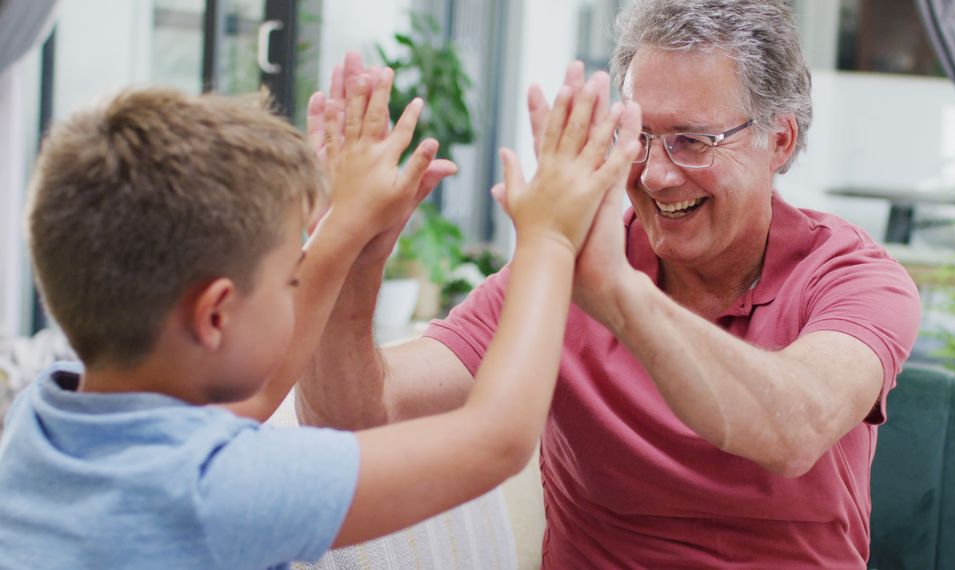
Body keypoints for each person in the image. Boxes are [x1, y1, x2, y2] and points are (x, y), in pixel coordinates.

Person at [298, 1, 922, 567]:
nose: (655, 175)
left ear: (778, 140)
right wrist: (354, 253)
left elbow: (794, 431)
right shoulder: (569, 272)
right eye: (638, 138)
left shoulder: (852, 277)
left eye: (691, 141)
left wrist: (619, 295)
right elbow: (355, 421)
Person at [0, 64, 642, 568]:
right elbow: (496, 440)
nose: (300, 287)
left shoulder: (42, 422)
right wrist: (550, 239)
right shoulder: (223, 488)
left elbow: (250, 396)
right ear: (216, 316)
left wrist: (346, 223)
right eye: (289, 278)